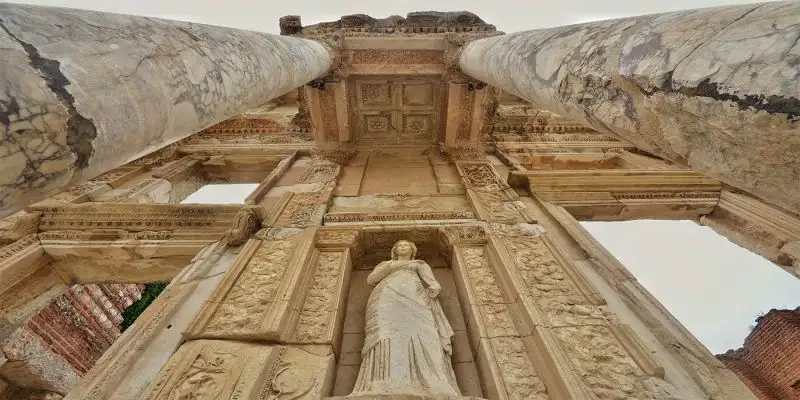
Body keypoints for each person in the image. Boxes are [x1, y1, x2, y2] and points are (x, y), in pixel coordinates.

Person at [351, 240, 460, 396]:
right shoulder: (386, 265)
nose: (402, 247)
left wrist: (432, 290)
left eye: (405, 245)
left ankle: (431, 381)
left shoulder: (419, 264)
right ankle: (384, 380)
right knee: (386, 333)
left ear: (412, 250)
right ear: (394, 250)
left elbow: (433, 283)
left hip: (414, 297)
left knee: (425, 334)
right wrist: (391, 266)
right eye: (399, 246)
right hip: (387, 297)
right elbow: (371, 279)